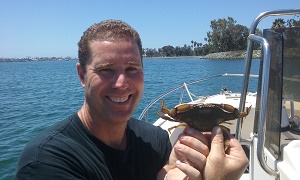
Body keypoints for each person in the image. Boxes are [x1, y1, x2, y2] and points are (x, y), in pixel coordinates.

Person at [14, 19, 248, 179]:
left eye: (133, 68)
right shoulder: (46, 163)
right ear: (82, 75)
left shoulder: (156, 140)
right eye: (106, 70)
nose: (122, 83)